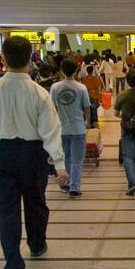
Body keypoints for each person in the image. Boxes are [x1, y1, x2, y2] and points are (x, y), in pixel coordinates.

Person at [0, 35, 67, 269]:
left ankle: (13, 264)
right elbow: (51, 130)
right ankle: (37, 244)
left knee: (6, 209)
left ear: (3, 58)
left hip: (1, 154)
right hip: (32, 154)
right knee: (36, 202)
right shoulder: (39, 93)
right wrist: (59, 165)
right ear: (30, 60)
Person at [50, 58, 91, 198]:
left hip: (61, 128)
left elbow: (53, 108)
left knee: (65, 158)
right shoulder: (81, 87)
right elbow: (86, 107)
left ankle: (66, 184)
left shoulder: (55, 87)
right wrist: (87, 122)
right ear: (76, 70)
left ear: (62, 70)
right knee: (77, 160)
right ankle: (74, 187)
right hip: (78, 128)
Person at [81, 62, 104, 129]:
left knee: (87, 109)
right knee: (94, 110)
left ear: (87, 71)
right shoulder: (96, 78)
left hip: (87, 96)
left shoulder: (84, 79)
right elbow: (97, 89)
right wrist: (100, 99)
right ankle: (95, 123)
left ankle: (88, 122)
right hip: (94, 96)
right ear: (92, 71)